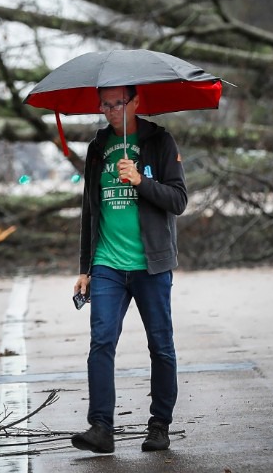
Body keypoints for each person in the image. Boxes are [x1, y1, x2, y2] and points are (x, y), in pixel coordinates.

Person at [70, 85, 187, 454]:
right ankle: (101, 428)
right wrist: (85, 267)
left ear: (135, 102)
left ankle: (159, 425)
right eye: (104, 104)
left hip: (150, 264)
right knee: (101, 342)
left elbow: (179, 200)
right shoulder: (98, 148)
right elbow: (91, 209)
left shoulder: (160, 141)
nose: (109, 111)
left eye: (117, 103)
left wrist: (140, 181)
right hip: (106, 263)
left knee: (161, 346)